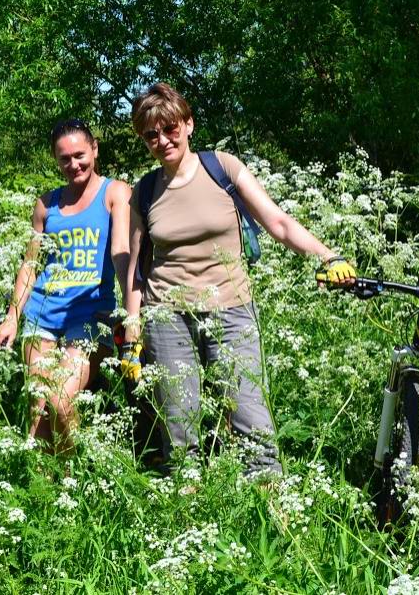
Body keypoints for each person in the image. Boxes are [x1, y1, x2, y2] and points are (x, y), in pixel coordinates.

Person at [122, 83, 355, 475]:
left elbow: (278, 223)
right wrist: (132, 339)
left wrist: (328, 256)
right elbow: (136, 271)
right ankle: (190, 502)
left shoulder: (223, 168)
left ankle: (269, 504)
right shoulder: (144, 192)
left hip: (230, 308)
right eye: (151, 134)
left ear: (189, 124)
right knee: (180, 424)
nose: (162, 140)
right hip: (166, 316)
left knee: (249, 413)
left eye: (170, 129)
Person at [0, 119, 131, 454]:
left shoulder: (115, 193)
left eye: (80, 155)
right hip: (42, 314)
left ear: (95, 149)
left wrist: (130, 314)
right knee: (38, 414)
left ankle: (74, 477)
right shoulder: (46, 204)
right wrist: (13, 316)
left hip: (89, 316)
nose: (74, 165)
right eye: (64, 159)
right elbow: (31, 265)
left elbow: (121, 252)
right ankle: (47, 495)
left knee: (59, 402)